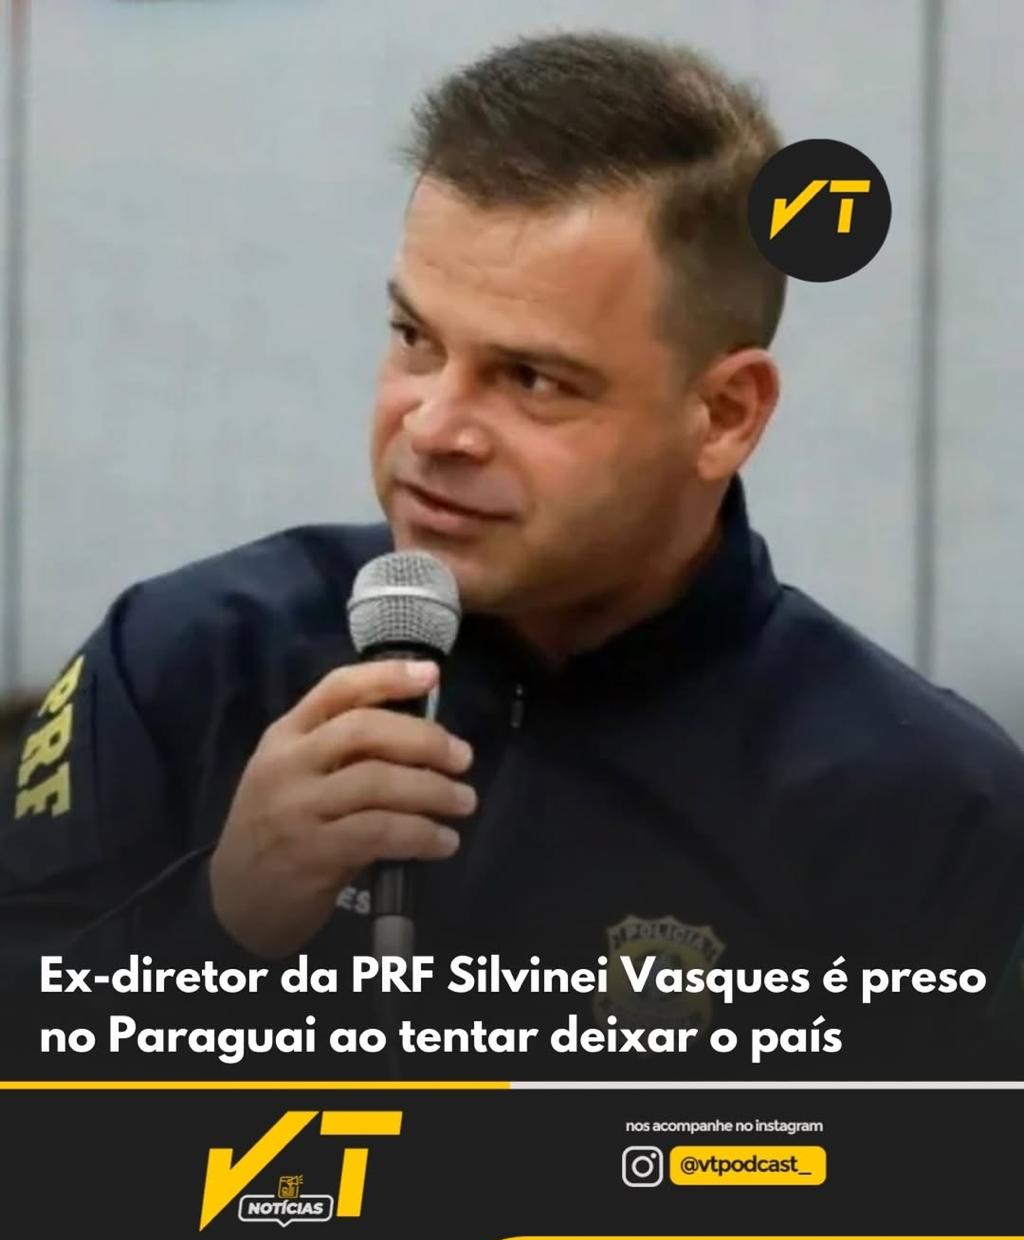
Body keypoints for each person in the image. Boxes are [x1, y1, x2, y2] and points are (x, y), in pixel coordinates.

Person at [1, 32, 1021, 1079]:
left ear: (724, 413)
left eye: (531, 379)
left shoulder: (923, 809)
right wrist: (216, 927)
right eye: (415, 338)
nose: (433, 426)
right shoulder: (184, 665)